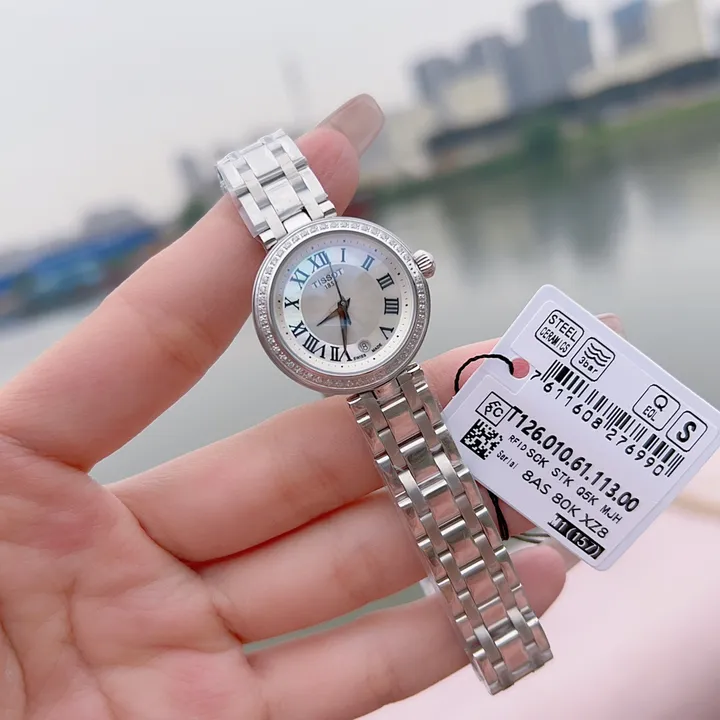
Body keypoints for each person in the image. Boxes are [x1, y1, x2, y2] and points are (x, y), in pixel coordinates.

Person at [0, 95, 567, 720]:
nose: (342, 308)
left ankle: (506, 640)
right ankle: (504, 643)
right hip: (378, 384)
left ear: (412, 272)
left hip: (386, 374)